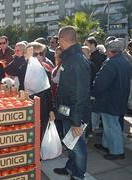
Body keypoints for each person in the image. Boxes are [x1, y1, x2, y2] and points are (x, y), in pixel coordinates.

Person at [54, 26, 91, 180]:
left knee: (78, 146)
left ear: (62, 39)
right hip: (67, 111)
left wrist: (76, 121)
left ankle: (78, 175)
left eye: (58, 40)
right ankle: (71, 167)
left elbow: (79, 93)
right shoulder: (71, 57)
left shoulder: (76, 60)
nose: (58, 43)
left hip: (74, 113)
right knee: (71, 144)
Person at [93, 39, 132, 160]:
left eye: (107, 51)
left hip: (109, 99)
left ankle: (117, 152)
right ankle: (107, 145)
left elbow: (100, 83)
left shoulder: (111, 63)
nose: (106, 53)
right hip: (119, 98)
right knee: (109, 124)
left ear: (111, 51)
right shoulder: (125, 61)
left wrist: (93, 91)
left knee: (112, 125)